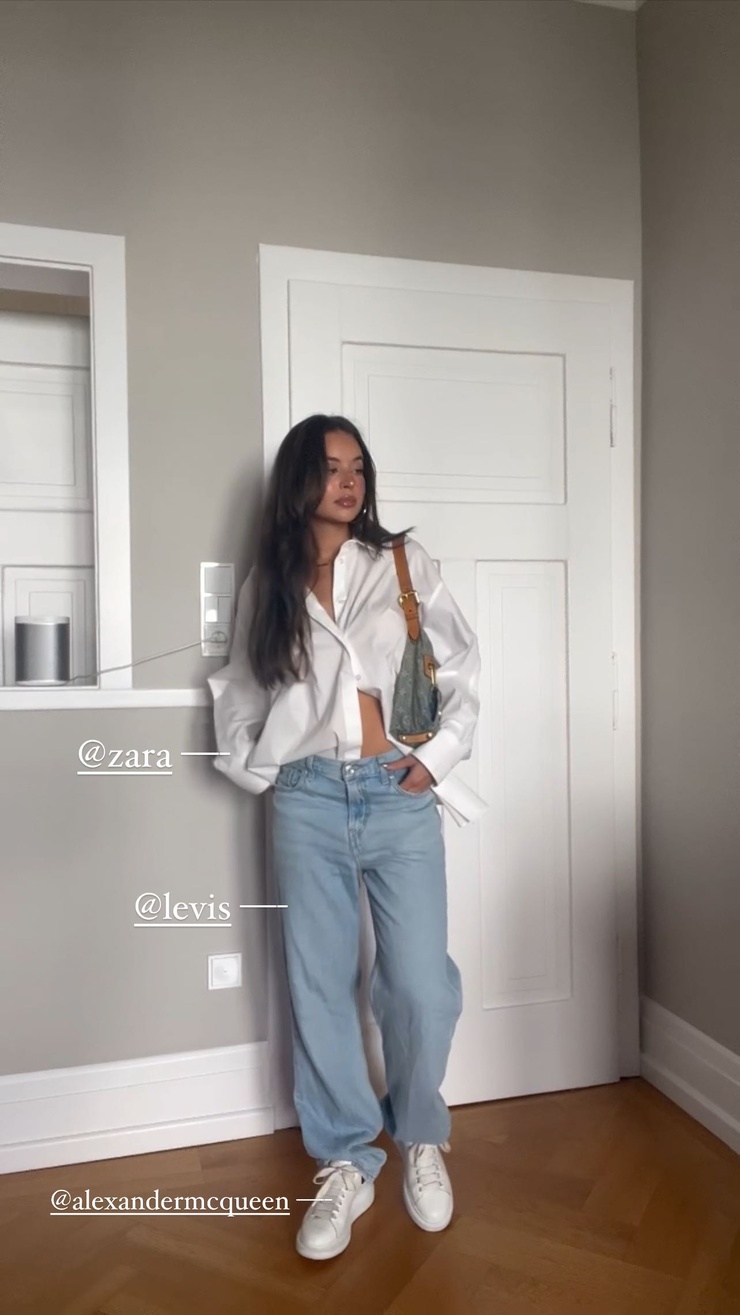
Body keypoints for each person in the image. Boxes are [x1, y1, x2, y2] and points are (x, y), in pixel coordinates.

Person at [208, 414, 483, 1261]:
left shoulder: (402, 562)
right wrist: (256, 767)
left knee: (420, 984)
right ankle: (346, 1159)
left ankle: (421, 1134)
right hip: (307, 798)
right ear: (300, 479)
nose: (349, 480)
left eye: (357, 466)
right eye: (330, 467)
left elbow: (462, 666)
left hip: (396, 793)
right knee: (318, 983)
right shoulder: (272, 582)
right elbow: (240, 685)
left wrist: (437, 757)